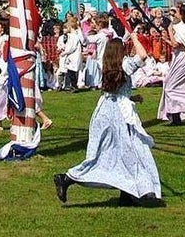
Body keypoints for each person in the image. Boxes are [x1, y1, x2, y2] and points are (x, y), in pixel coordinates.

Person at [53, 34, 160, 207]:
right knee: (124, 153)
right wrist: (134, 37)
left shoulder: (110, 66)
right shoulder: (124, 65)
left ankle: (127, 195)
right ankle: (66, 178)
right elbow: (143, 55)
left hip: (105, 113)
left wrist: (132, 97)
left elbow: (116, 93)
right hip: (117, 117)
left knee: (121, 153)